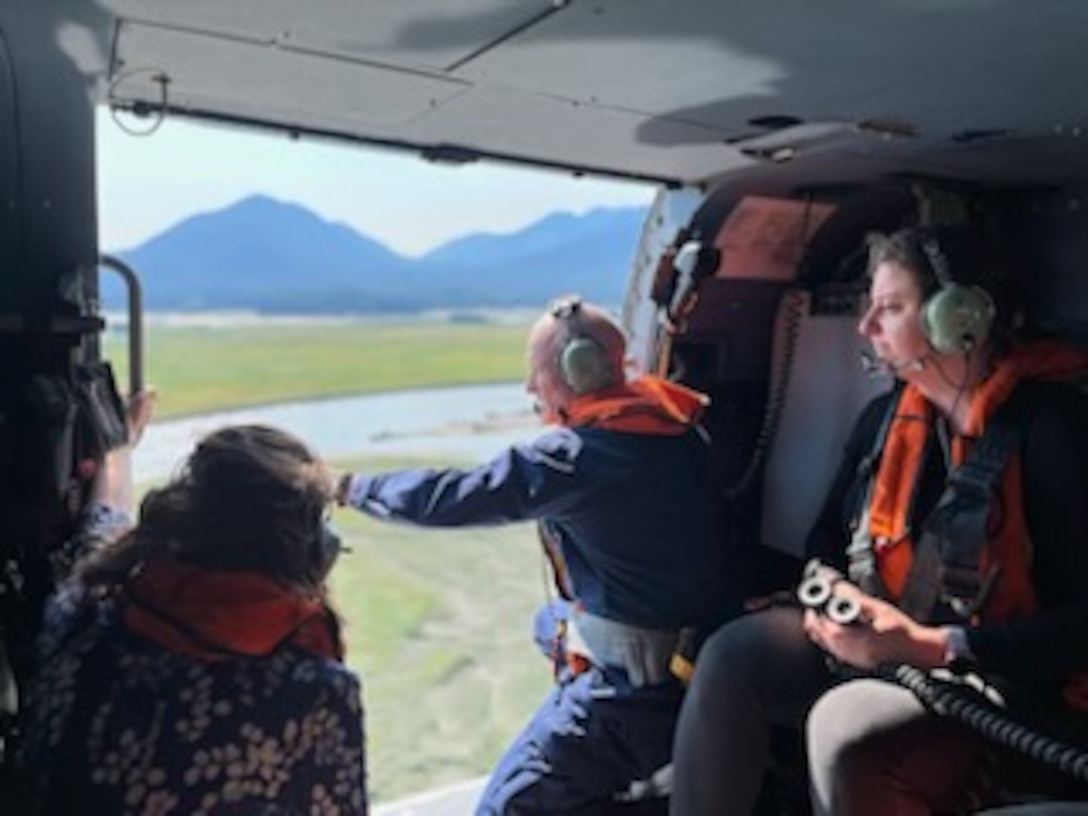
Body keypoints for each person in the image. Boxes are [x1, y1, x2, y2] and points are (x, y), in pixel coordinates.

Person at [669, 225, 1088, 816]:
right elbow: (822, 545)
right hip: (883, 648)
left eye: (889, 307)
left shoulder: (1056, 432)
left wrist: (935, 646)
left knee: (848, 730)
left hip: (1010, 689)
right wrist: (834, 594)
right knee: (735, 653)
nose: (866, 327)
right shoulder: (884, 421)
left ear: (957, 317)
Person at [336, 296, 736, 814]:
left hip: (634, 687)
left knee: (508, 807)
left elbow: (456, 495)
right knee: (547, 622)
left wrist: (351, 487)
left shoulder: (577, 457)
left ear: (577, 371)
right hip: (692, 649)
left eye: (535, 373)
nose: (529, 388)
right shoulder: (677, 430)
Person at [19, 398, 366, 816]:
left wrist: (118, 451)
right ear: (311, 555)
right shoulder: (315, 694)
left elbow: (104, 525)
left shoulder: (79, 614)